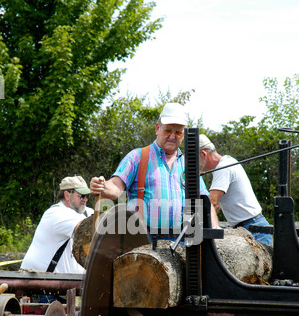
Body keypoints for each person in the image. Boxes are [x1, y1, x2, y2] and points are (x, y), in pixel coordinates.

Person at [90, 103, 218, 240]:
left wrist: (216, 231)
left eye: (178, 132)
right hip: (142, 241)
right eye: (168, 130)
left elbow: (205, 201)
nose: (173, 136)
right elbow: (116, 186)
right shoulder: (137, 157)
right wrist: (102, 186)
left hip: (181, 242)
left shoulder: (189, 165)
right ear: (157, 128)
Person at [198, 134, 272, 245]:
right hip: (252, 225)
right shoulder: (227, 161)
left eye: (195, 159)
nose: (195, 164)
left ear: (203, 154)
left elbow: (211, 202)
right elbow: (217, 204)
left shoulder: (223, 168)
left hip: (253, 229)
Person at [21, 176, 94, 274]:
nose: (85, 199)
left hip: (63, 283)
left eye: (87, 196)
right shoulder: (57, 213)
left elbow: (104, 222)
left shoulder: (86, 212)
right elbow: (87, 229)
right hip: (38, 282)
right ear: (67, 195)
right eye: (81, 196)